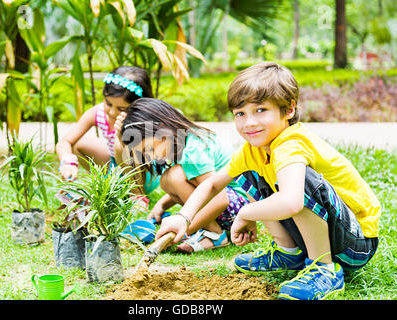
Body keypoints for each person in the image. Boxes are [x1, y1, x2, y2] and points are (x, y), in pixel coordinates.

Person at [155, 61, 381, 300]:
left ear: (289, 110)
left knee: (299, 181)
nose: (249, 122)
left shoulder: (292, 144)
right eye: (240, 114)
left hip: (355, 244)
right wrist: (182, 218)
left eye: (261, 110)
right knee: (248, 174)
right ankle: (288, 251)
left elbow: (293, 202)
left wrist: (246, 213)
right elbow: (212, 184)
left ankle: (324, 269)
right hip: (328, 233)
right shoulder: (254, 150)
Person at [118, 98, 250, 252]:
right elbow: (197, 183)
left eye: (150, 149)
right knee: (167, 179)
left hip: (240, 208)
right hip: (231, 206)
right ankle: (208, 228)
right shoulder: (181, 141)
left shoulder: (193, 151)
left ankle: (215, 234)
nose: (152, 157)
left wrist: (181, 230)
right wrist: (162, 205)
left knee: (174, 176)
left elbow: (221, 199)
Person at [56, 66, 160, 205]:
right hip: (115, 165)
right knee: (77, 143)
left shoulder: (142, 118)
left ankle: (137, 196)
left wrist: (121, 133)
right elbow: (65, 142)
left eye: (121, 108)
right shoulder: (98, 112)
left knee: (119, 146)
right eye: (108, 103)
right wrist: (68, 162)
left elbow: (145, 156)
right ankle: (108, 185)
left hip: (144, 173)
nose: (111, 112)